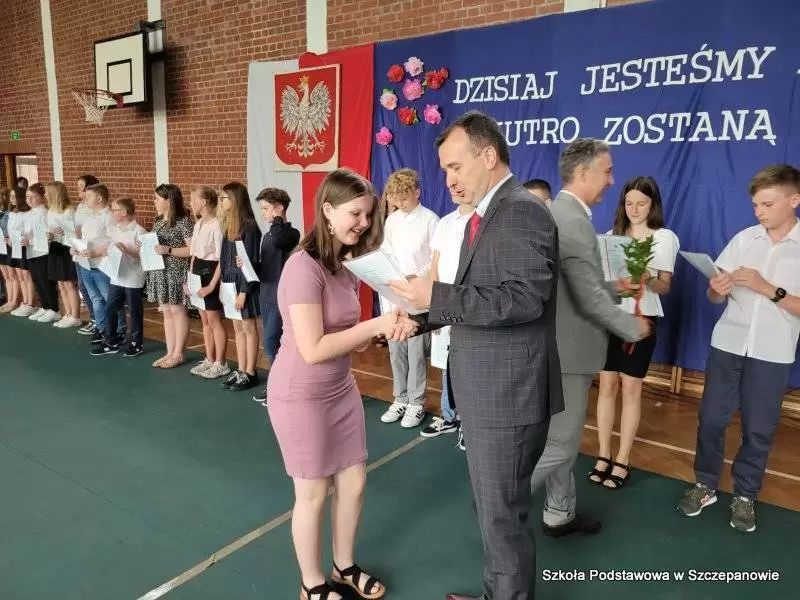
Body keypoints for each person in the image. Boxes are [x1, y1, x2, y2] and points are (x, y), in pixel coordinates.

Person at [390, 110, 563, 600]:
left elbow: (524, 299)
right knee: (493, 511)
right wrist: (422, 317)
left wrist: (435, 297)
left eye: (455, 166)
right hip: (494, 391)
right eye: (445, 169)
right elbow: (483, 297)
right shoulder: (490, 214)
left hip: (507, 396)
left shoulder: (520, 211)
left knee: (501, 517)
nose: (448, 180)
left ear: (488, 157)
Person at [267, 168, 417, 600]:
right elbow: (313, 348)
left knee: (353, 484)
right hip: (301, 396)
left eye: (369, 215)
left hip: (340, 390)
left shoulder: (346, 266)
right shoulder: (302, 268)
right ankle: (311, 584)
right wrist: (377, 324)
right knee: (313, 493)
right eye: (356, 214)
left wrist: (383, 329)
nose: (364, 223)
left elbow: (347, 335)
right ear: (328, 211)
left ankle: (343, 566)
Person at [531, 139, 648, 542]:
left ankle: (559, 514)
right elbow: (587, 298)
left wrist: (618, 287)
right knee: (561, 445)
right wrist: (633, 327)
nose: (612, 181)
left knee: (558, 442)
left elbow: (576, 285)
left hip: (562, 349)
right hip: (569, 353)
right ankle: (500, 503)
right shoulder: (573, 220)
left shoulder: (564, 214)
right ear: (583, 173)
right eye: (607, 171)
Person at [677, 164, 800, 533]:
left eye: (767, 204)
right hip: (728, 344)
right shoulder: (744, 239)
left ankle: (746, 494)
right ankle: (705, 484)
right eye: (755, 205)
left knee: (758, 428)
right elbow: (714, 296)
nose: (759, 212)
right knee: (711, 419)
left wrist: (768, 288)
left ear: (794, 200)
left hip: (772, 352)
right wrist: (717, 289)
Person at [590, 176, 679, 489]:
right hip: (611, 318)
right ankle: (603, 454)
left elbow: (665, 287)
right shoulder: (610, 236)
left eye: (641, 203)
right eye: (629, 203)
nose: (635, 209)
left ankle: (623, 458)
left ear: (652, 204)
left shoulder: (664, 237)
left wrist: (646, 276)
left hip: (642, 319)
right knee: (606, 386)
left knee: (631, 388)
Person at [378, 168, 438, 429]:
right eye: (396, 199)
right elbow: (386, 253)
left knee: (416, 352)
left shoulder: (430, 220)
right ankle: (400, 398)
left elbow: (435, 259)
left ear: (417, 192)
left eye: (404, 198)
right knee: (396, 351)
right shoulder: (392, 220)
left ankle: (417, 402)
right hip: (394, 295)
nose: (400, 203)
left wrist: (417, 276)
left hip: (417, 295)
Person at [250, 187, 300, 404]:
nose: (263, 213)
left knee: (273, 343)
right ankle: (276, 385)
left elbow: (281, 241)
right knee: (270, 343)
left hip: (280, 296)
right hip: (266, 293)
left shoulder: (289, 233)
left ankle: (279, 387)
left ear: (279, 208)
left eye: (266, 208)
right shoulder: (269, 234)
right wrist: (250, 266)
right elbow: (267, 266)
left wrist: (278, 218)